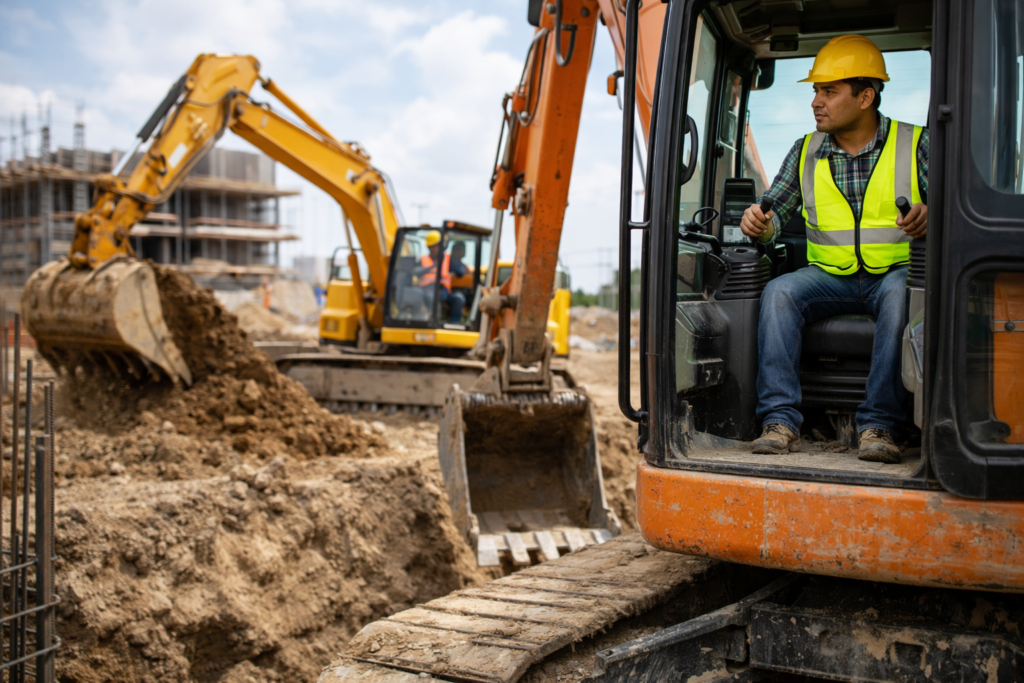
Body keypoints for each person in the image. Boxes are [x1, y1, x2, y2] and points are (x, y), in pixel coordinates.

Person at [740, 35, 928, 464]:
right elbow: (773, 215)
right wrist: (759, 225)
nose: (816, 102)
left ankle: (879, 425)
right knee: (781, 292)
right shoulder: (805, 151)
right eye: (815, 91)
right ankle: (779, 421)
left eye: (829, 91)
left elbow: (953, 215)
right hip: (831, 278)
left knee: (903, 295)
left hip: (895, 273)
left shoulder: (916, 144)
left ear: (866, 96)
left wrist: (929, 217)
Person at [415, 230, 467, 324]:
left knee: (459, 298)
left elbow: (461, 271)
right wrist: (433, 266)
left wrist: (456, 269)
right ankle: (432, 322)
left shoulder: (447, 258)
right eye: (431, 246)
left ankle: (454, 324)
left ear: (441, 246)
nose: (433, 249)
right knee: (433, 297)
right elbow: (415, 272)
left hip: (444, 292)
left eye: (435, 246)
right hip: (427, 291)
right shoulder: (423, 259)